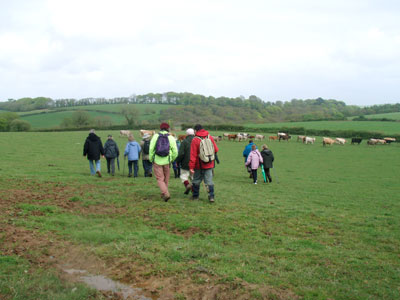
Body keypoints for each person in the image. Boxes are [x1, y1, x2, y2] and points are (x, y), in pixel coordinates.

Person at [189, 124, 219, 202]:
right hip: (209, 163)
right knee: (209, 181)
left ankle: (195, 196)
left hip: (199, 165)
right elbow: (216, 149)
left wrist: (191, 167)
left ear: (195, 130)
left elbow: (193, 155)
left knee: (196, 180)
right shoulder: (209, 137)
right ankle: (211, 196)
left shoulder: (195, 139)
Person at [149, 122, 178, 202]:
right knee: (166, 178)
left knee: (160, 179)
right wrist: (172, 159)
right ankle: (164, 193)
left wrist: (151, 159)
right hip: (167, 161)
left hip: (157, 161)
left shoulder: (155, 136)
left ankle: (165, 193)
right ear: (168, 129)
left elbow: (151, 149)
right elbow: (175, 151)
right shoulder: (171, 137)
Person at [175, 128, 195, 195]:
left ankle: (187, 185)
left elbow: (181, 153)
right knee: (193, 177)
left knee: (184, 176)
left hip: (185, 163)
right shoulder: (197, 140)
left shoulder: (184, 142)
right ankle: (194, 192)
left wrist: (177, 161)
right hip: (195, 163)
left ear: (187, 134)